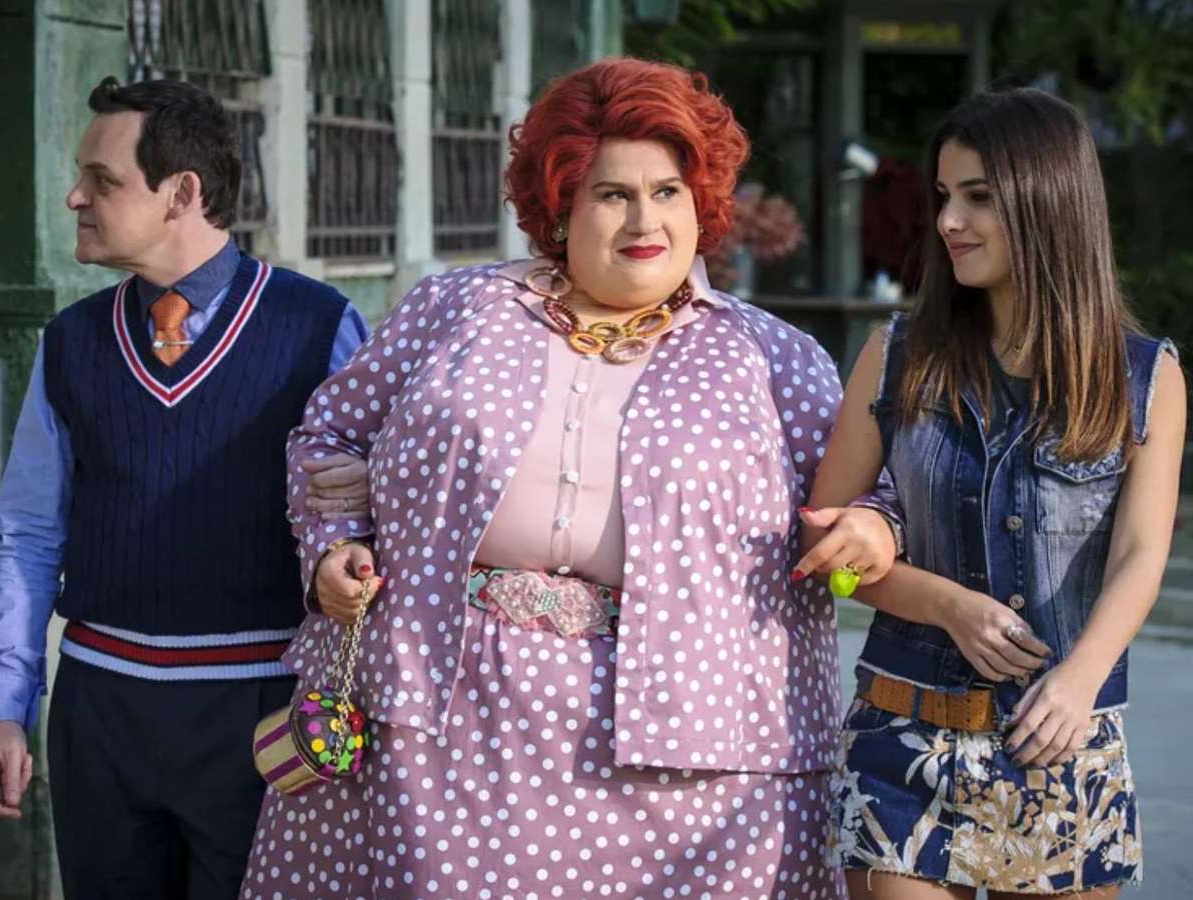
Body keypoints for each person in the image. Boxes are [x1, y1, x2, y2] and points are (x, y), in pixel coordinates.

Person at [239, 58, 900, 899]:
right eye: (612, 194)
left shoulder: (769, 357)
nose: (645, 220)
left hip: (694, 754)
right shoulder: (455, 311)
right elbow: (332, 435)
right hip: (446, 722)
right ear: (560, 206)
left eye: (667, 192)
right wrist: (334, 548)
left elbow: (870, 492)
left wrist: (874, 525)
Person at [800, 87, 1184, 898]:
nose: (949, 220)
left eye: (977, 196)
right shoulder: (895, 356)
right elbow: (823, 543)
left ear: (1049, 200)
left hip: (1061, 740)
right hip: (903, 738)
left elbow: (1142, 554)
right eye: (944, 196)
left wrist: (1080, 677)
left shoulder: (1145, 377)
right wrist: (945, 605)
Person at [0, 77, 369, 899]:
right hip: (99, 713)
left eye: (102, 180)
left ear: (182, 193)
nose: (75, 197)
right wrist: (5, 704)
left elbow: (368, 521)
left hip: (264, 712)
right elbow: (27, 535)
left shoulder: (318, 327)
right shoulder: (69, 342)